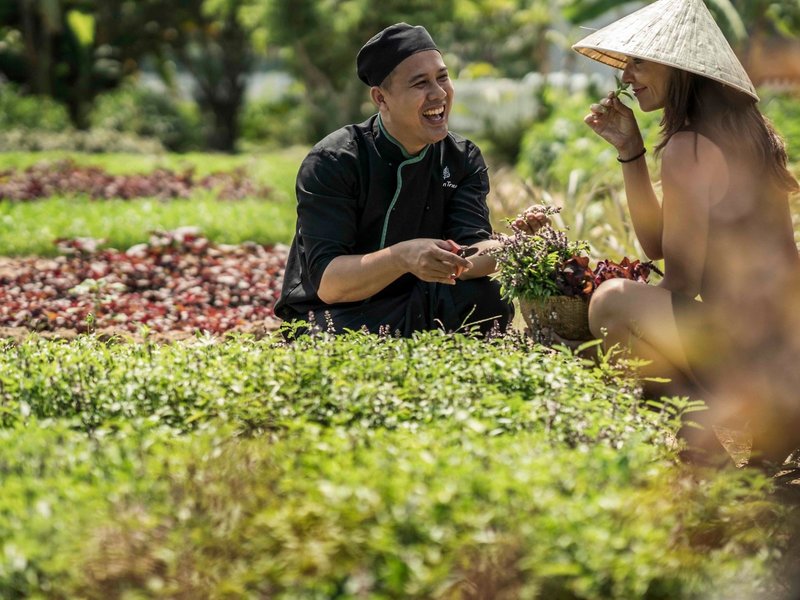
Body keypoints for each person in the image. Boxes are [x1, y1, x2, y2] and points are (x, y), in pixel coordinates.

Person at [572, 0, 800, 466]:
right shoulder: (747, 131)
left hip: (757, 358)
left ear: (679, 68)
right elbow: (660, 246)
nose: (625, 77)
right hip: (781, 350)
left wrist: (626, 341)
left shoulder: (688, 145)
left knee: (611, 302)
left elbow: (679, 283)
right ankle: (752, 448)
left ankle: (704, 446)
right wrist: (631, 151)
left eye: (639, 61)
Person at [275, 23, 545, 337]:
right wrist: (403, 257)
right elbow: (330, 285)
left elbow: (471, 251)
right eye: (420, 83)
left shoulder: (461, 159)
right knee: (328, 332)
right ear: (381, 98)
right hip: (333, 313)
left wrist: (513, 247)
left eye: (442, 77)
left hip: (416, 301)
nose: (439, 93)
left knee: (487, 298)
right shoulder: (335, 161)